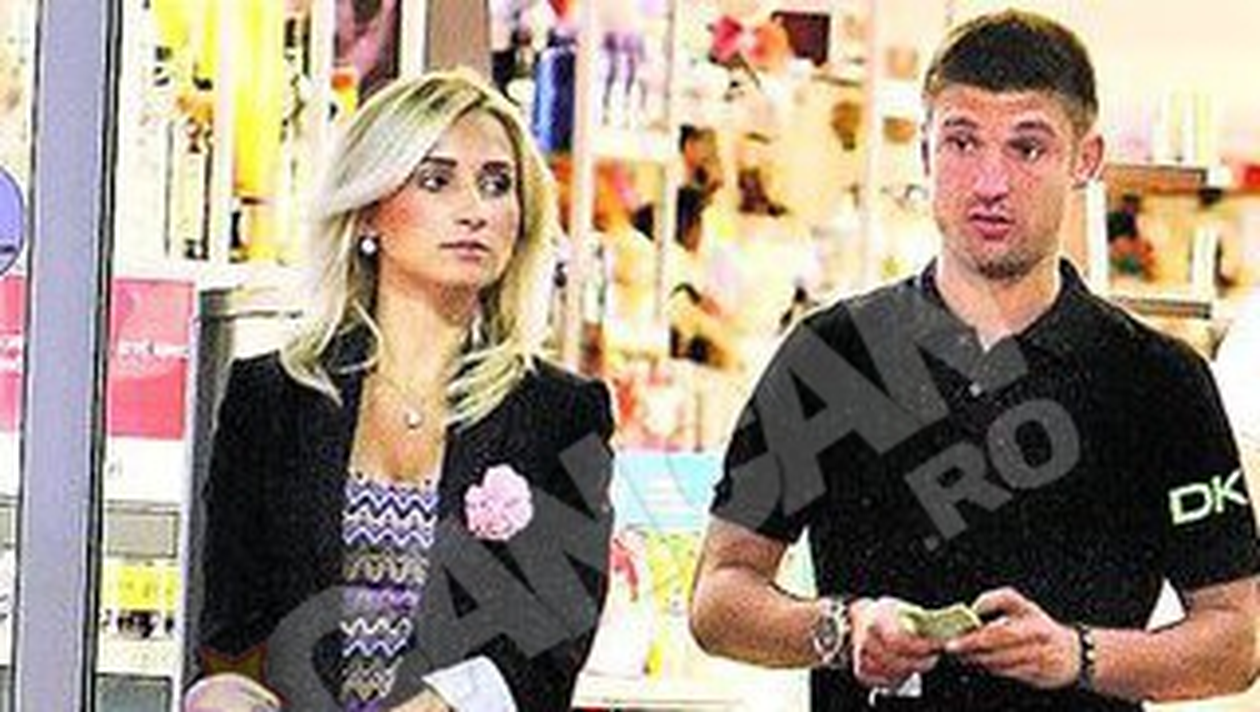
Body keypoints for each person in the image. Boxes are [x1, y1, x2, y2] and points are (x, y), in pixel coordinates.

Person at [689, 10, 1259, 712]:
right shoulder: (832, 356)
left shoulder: (1159, 382)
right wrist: (841, 627)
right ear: (925, 151)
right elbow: (719, 595)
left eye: (1028, 148)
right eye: (962, 142)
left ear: (1085, 160)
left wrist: (1076, 655)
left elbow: (1235, 639)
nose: (991, 182)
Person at [185, 70, 615, 712]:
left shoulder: (560, 414)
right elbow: (230, 623)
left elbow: (553, 641)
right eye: (436, 181)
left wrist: (449, 701)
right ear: (368, 210)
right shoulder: (271, 397)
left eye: (497, 185)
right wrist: (222, 691)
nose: (474, 210)